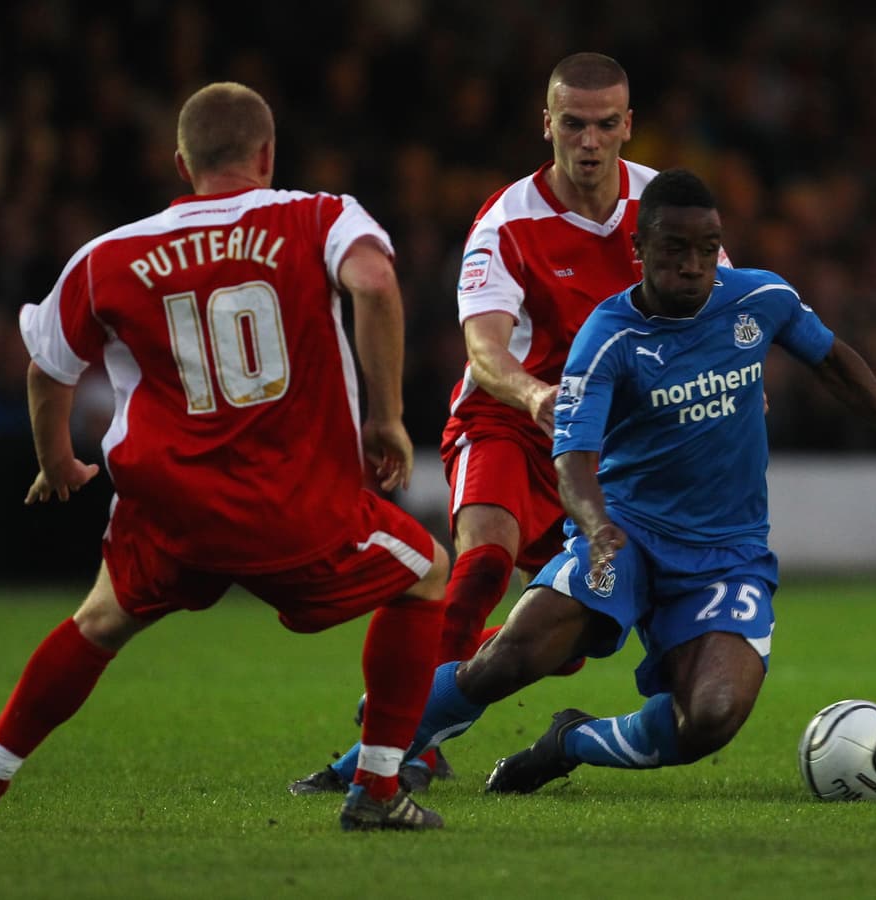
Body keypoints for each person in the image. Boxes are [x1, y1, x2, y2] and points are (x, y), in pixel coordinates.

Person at [294, 168, 876, 796]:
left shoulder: (761, 298)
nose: (693, 265)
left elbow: (833, 361)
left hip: (725, 555)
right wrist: (596, 525)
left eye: (707, 249)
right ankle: (358, 764)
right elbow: (573, 457)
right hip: (625, 535)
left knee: (710, 717)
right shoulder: (608, 336)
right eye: (675, 250)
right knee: (507, 661)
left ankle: (571, 741)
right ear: (639, 250)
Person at [0, 82, 449, 833]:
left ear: (182, 163)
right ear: (267, 154)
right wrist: (388, 418)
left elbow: (47, 367)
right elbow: (373, 281)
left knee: (97, 622)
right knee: (427, 573)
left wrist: (57, 460)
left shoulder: (108, 255)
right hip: (297, 506)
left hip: (173, 510)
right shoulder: (318, 216)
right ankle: (376, 788)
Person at [291, 51, 728, 795]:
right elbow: (485, 351)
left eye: (604, 125)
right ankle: (387, 752)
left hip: (610, 450)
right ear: (545, 124)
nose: (589, 141)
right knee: (482, 566)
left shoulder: (664, 209)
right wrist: (533, 396)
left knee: (570, 643)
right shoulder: (507, 220)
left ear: (628, 125)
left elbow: (719, 308)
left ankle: (416, 694)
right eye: (573, 123)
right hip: (509, 423)